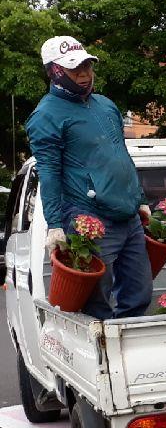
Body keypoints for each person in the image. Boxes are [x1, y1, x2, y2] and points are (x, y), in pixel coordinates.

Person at [24, 36, 153, 319]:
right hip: (90, 219)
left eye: (87, 66)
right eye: (75, 69)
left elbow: (121, 154)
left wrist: (140, 198)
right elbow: (49, 172)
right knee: (97, 304)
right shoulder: (45, 115)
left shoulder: (105, 105)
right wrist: (55, 225)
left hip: (128, 216)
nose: (84, 74)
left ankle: (126, 356)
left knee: (139, 293)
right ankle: (100, 361)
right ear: (55, 71)